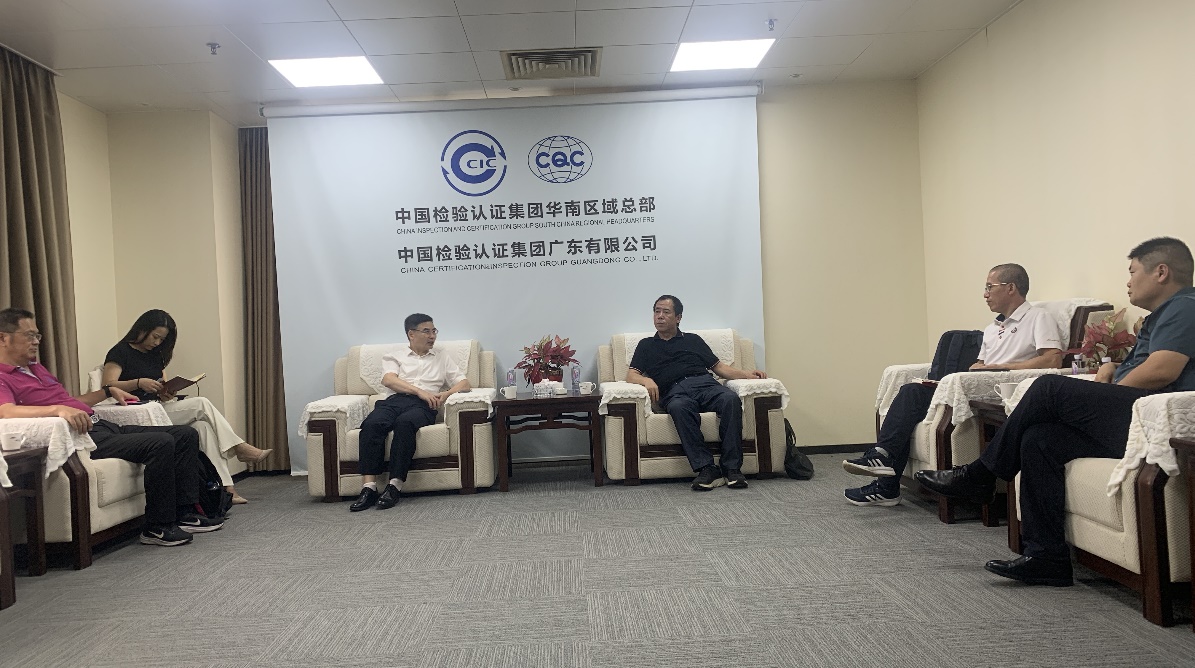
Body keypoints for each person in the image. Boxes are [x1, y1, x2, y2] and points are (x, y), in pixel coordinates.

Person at [915, 237, 1195, 586]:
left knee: (1047, 387)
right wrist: (1112, 367)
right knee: (1039, 439)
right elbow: (1150, 364)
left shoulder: (1185, 306)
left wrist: (1112, 389)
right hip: (1136, 414)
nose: (1128, 281)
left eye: (1132, 272)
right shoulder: (1165, 315)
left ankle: (982, 475)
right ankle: (1046, 557)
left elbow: (1163, 369)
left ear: (1161, 272)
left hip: (1156, 421)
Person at [841, 264, 1065, 507]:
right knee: (911, 393)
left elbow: (1052, 359)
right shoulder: (992, 328)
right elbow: (981, 364)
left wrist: (999, 367)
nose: (985, 294)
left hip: (1003, 392)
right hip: (978, 385)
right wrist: (978, 368)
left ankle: (885, 481)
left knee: (914, 396)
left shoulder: (1038, 317)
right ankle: (883, 463)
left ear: (1011, 288)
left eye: (989, 287)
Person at [0, 307, 222, 546]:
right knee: (161, 442)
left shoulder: (36, 368)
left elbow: (72, 401)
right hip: (83, 436)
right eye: (29, 335)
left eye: (37, 335)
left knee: (185, 434)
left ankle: (186, 513)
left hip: (100, 425)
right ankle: (157, 527)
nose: (36, 341)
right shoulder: (3, 375)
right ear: (3, 338)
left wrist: (107, 391)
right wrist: (57, 410)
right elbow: (6, 411)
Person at [101, 309, 272, 504]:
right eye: (155, 336)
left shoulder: (156, 355)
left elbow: (161, 386)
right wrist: (138, 383)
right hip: (136, 414)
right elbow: (107, 385)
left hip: (158, 407)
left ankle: (227, 489)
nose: (157, 343)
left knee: (203, 427)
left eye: (162, 339)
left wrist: (166, 392)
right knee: (201, 403)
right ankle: (238, 448)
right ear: (142, 329)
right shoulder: (120, 351)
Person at [625, 295, 768, 491]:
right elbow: (631, 375)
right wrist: (646, 380)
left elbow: (719, 368)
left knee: (730, 399)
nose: (660, 316)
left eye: (666, 312)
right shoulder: (646, 345)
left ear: (678, 317)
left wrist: (747, 374)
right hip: (675, 391)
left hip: (705, 384)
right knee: (678, 407)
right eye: (657, 311)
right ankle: (707, 468)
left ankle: (732, 468)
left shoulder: (693, 340)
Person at [350, 313, 470, 512]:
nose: (432, 336)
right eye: (426, 331)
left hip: (423, 406)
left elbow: (464, 383)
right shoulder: (394, 356)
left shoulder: (441, 357)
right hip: (395, 401)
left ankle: (394, 485)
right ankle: (369, 488)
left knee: (404, 424)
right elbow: (389, 380)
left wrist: (446, 394)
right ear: (411, 334)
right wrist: (419, 391)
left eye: (434, 331)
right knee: (372, 424)